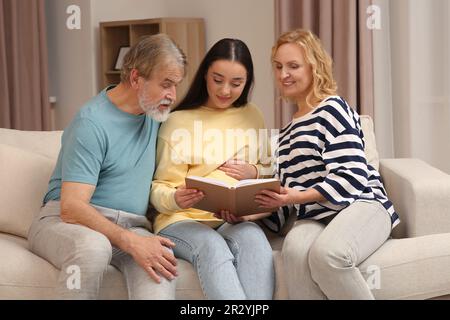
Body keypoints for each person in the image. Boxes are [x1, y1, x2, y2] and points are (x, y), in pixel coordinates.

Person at [27, 34, 187, 299]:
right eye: (166, 84)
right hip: (67, 222)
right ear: (136, 78)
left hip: (131, 226)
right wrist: (129, 241)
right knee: (94, 247)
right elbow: (72, 208)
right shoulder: (91, 123)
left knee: (162, 266)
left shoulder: (156, 114)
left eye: (176, 85)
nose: (172, 95)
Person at [255, 29, 400, 300]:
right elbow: (286, 205)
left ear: (314, 67)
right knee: (294, 252)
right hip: (316, 217)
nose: (283, 74)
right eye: (278, 67)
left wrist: (299, 195)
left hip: (363, 204)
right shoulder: (284, 136)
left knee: (327, 254)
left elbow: (352, 175)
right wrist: (249, 211)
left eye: (293, 66)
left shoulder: (332, 108)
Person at [150, 38, 274, 300]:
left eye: (236, 83)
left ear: (248, 81)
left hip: (232, 219)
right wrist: (175, 198)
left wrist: (254, 172)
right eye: (218, 80)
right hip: (181, 220)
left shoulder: (253, 115)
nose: (225, 90)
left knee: (255, 242)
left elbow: (269, 169)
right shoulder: (178, 121)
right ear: (205, 73)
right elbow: (159, 189)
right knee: (213, 248)